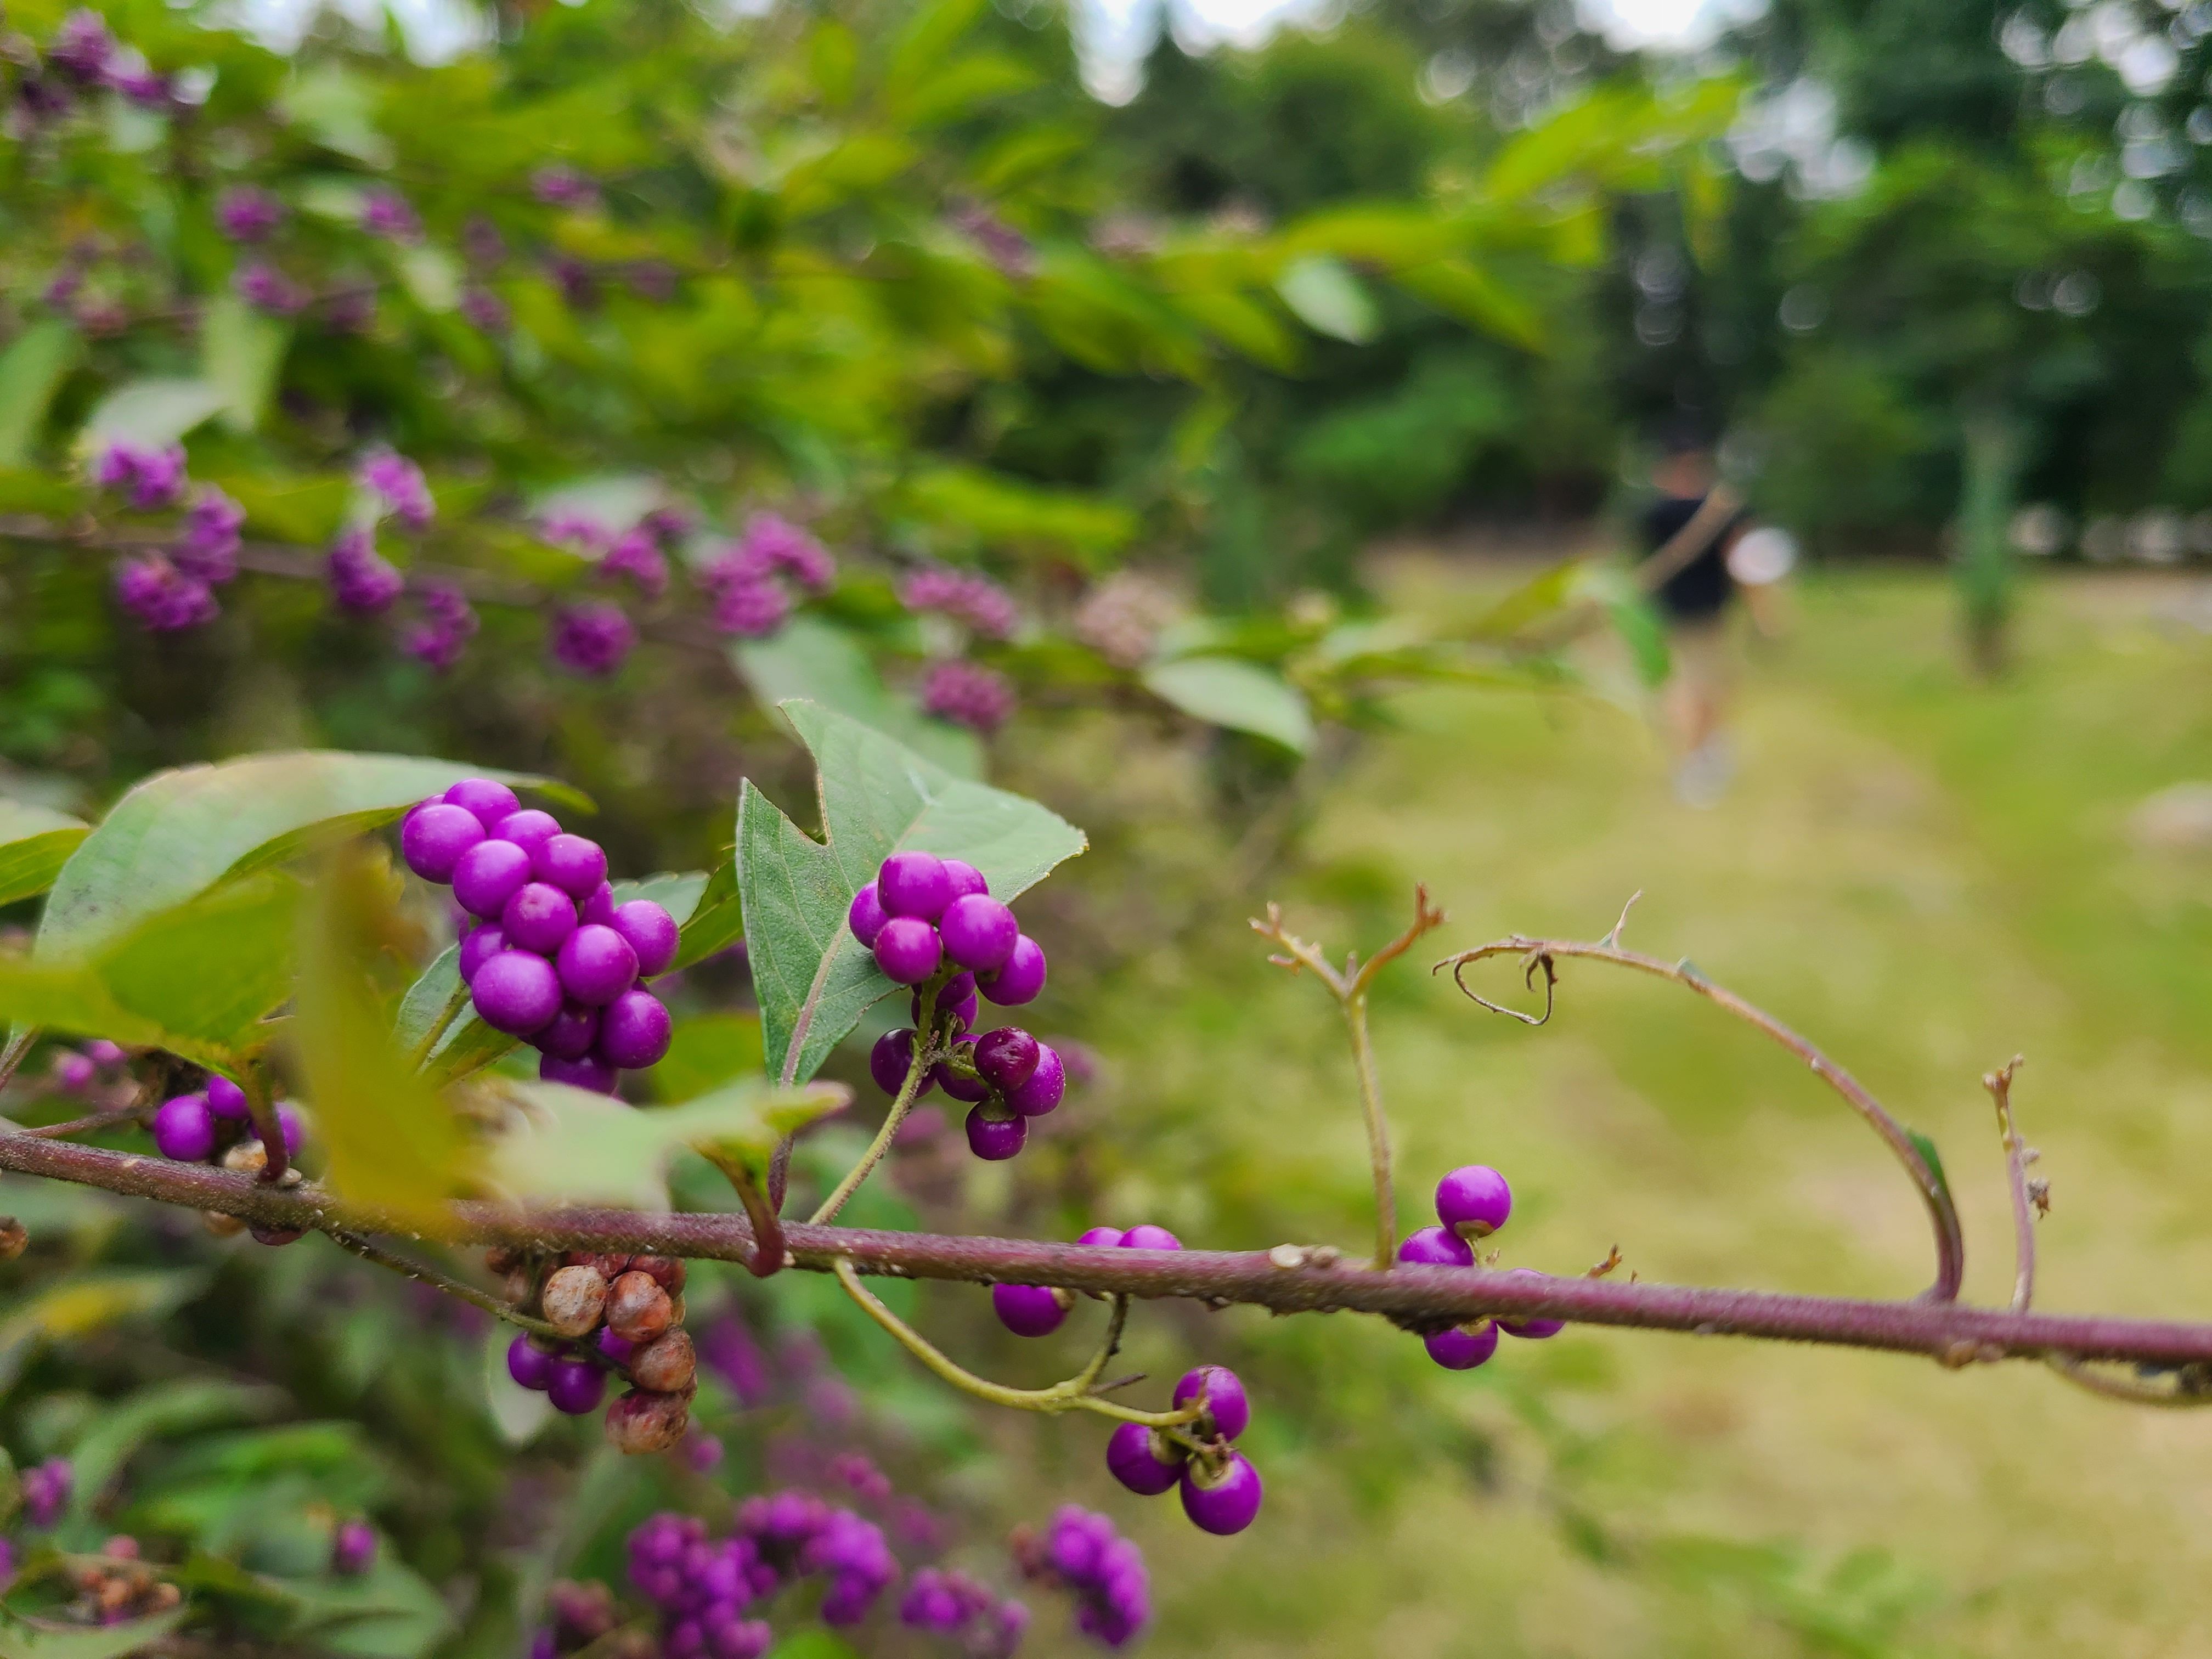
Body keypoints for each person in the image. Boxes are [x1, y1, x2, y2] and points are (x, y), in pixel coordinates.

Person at [1635, 431, 1750, 806]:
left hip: (1667, 614)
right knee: (1703, 687)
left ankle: (1699, 757)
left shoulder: (1654, 513)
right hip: (1705, 613)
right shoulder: (1719, 509)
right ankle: (1697, 762)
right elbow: (1739, 560)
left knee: (1685, 687)